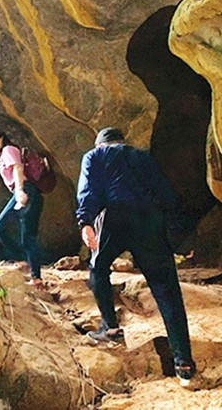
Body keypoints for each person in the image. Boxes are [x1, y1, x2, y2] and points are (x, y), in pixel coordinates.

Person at [76, 127, 196, 386]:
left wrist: (85, 221)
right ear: (121, 141)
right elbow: (166, 193)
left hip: (115, 216)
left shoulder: (94, 156)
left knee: (98, 267)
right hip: (149, 220)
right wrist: (176, 236)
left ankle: (110, 328)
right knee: (166, 289)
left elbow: (89, 189)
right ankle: (183, 362)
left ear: (100, 144)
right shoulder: (142, 156)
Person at [0, 126, 44, 288]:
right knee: (22, 234)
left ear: (2, 137)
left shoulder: (8, 150)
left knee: (2, 228)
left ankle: (32, 273)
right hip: (26, 191)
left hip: (25, 190)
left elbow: (18, 168)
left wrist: (19, 191)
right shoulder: (5, 153)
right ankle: (30, 268)